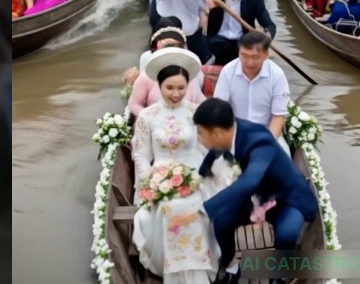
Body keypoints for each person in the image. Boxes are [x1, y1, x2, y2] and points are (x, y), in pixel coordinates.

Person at [131, 47, 233, 283]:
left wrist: (215, 176)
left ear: (188, 86)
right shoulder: (147, 116)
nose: (175, 94)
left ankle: (199, 270)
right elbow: (141, 156)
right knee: (169, 208)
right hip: (159, 178)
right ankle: (174, 272)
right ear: (159, 85)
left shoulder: (197, 113)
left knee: (197, 207)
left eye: (181, 88)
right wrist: (150, 183)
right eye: (169, 88)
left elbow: (210, 150)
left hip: (195, 175)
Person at [193, 99, 318, 284]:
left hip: (287, 197)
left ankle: (280, 275)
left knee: (287, 234)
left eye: (202, 134)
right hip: (259, 195)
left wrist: (203, 209)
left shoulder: (260, 141)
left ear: (217, 133)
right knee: (222, 222)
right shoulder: (231, 131)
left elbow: (249, 181)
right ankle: (230, 266)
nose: (200, 139)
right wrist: (203, 171)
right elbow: (216, 150)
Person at [212, 31, 290, 144]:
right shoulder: (228, 71)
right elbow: (219, 109)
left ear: (266, 55)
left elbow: (278, 116)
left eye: (255, 57)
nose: (249, 62)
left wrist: (267, 144)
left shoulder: (277, 75)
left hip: (266, 132)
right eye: (244, 56)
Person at [205, 0, 276, 65]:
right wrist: (206, 10)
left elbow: (269, 25)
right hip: (216, 40)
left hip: (242, 42)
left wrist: (265, 40)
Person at [127, 26, 207, 118]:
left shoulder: (189, 77)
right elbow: (134, 104)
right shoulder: (147, 76)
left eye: (177, 47)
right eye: (168, 46)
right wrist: (150, 118)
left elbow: (202, 105)